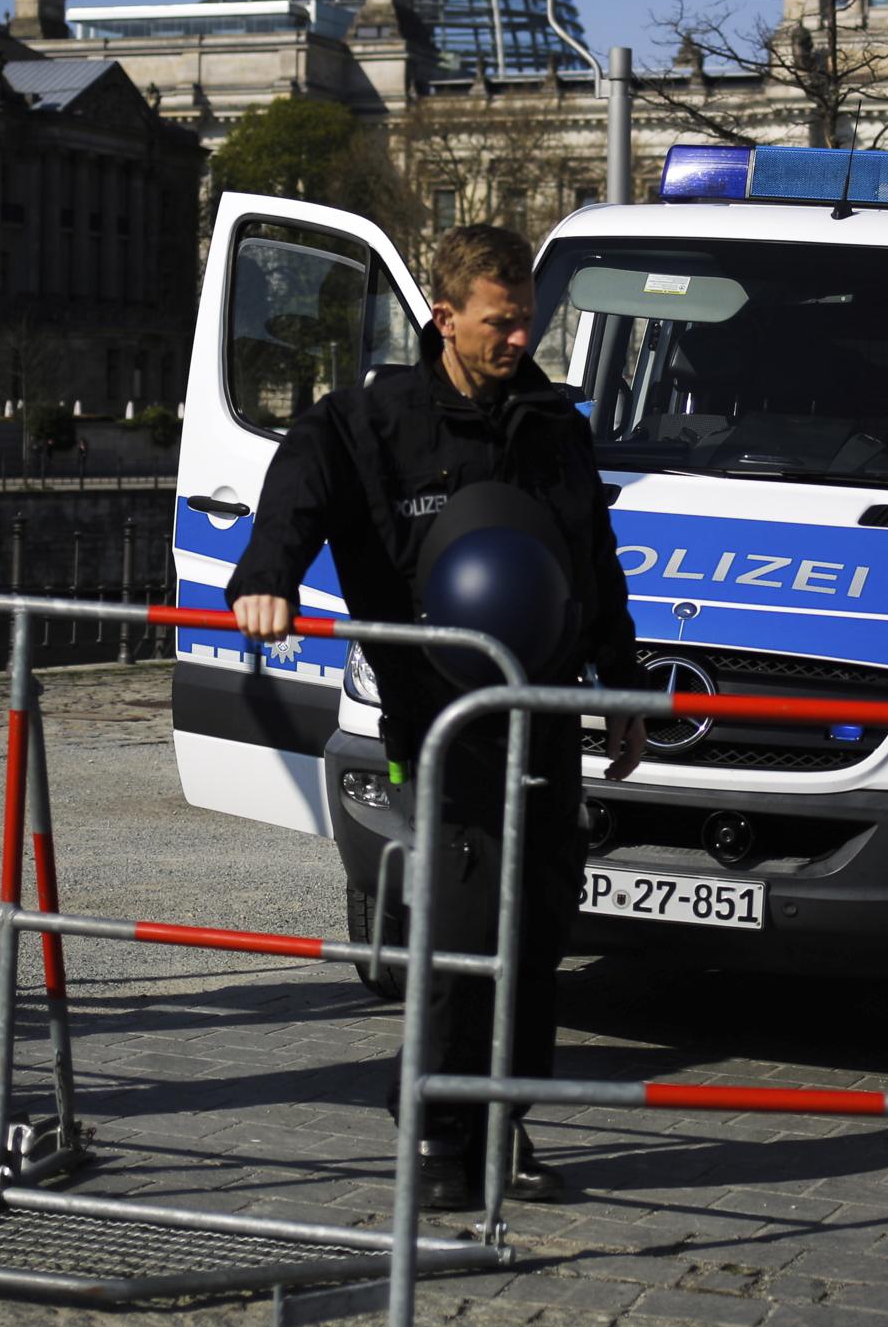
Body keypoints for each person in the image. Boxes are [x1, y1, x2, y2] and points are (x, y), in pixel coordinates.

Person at [228, 224, 649, 1211]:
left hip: (538, 714)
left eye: (527, 320)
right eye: (500, 321)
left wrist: (623, 683)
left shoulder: (554, 423)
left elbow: (595, 564)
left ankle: (503, 1123)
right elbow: (296, 494)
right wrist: (265, 577)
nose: (518, 337)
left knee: (539, 931)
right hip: (437, 722)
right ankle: (436, 1133)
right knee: (465, 927)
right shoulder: (372, 421)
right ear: (444, 315)